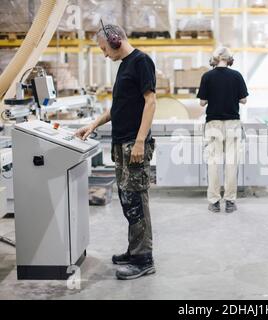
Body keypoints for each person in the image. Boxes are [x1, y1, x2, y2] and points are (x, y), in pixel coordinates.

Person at [75, 23, 157, 280]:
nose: (104, 54)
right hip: (121, 144)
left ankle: (144, 259)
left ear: (115, 40)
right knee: (127, 199)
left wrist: (140, 141)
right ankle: (134, 251)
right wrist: (92, 124)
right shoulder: (124, 66)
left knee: (136, 201)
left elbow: (151, 102)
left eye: (104, 49)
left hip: (134, 143)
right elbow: (117, 108)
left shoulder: (141, 61)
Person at [197, 47, 249, 213]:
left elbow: (202, 102)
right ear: (229, 59)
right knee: (232, 163)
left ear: (214, 59)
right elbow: (244, 100)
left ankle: (214, 201)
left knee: (213, 162)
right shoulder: (237, 76)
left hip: (214, 124)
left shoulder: (207, 76)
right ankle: (230, 201)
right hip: (232, 123)